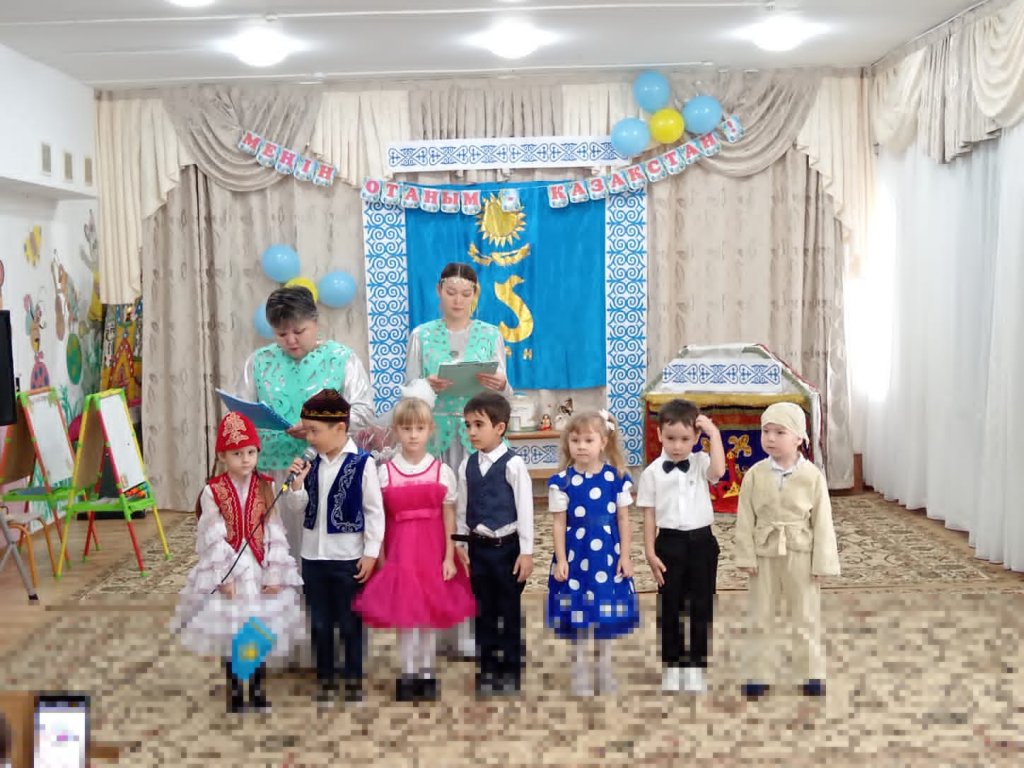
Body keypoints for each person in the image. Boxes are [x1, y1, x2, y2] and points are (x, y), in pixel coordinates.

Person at [405, 262, 512, 658]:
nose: (458, 300)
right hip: (435, 441)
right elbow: (408, 392)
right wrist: (425, 385)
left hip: (475, 442)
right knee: (438, 528)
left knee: (474, 524)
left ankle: (471, 622)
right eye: (451, 292)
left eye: (466, 293)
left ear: (475, 295)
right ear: (439, 291)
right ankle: (439, 620)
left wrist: (501, 384)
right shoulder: (422, 335)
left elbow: (504, 394)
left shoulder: (490, 334)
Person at [172, 412, 305, 714]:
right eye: (237, 454)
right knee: (231, 630)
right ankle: (235, 691)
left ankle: (256, 688)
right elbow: (212, 536)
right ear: (222, 456)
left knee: (257, 629)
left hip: (259, 568)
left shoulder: (266, 485)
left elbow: (274, 531)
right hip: (230, 569)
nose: (246, 460)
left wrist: (275, 572)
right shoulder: (213, 491)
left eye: (251, 452)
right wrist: (223, 576)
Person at [235, 285, 375, 557]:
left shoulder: (341, 358)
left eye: (299, 331)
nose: (290, 340)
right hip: (272, 469)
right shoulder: (259, 362)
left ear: (315, 322)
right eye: (281, 334)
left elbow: (364, 411)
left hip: (327, 468)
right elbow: (242, 413)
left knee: (322, 547)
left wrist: (317, 425)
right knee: (277, 546)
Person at [353, 397, 476, 701]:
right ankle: (408, 673)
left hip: (432, 551)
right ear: (396, 430)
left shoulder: (441, 471)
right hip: (401, 553)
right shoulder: (385, 473)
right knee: (406, 617)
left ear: (430, 430)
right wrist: (381, 558)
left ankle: (427, 672)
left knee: (428, 617)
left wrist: (449, 556)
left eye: (419, 428)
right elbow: (379, 518)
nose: (412, 435)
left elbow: (449, 516)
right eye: (406, 428)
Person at [282, 389, 385, 707]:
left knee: (350, 621)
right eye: (307, 431)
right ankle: (325, 677)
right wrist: (296, 485)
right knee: (320, 622)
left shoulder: (362, 463)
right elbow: (298, 508)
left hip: (347, 558)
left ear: (340, 428)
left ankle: (353, 678)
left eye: (314, 431)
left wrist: (371, 553)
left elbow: (374, 512)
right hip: (313, 557)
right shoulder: (310, 464)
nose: (309, 438)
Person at [734, 402, 840, 700]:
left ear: (798, 438)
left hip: (800, 552)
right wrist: (746, 555)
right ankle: (758, 672)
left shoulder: (812, 476)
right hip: (764, 552)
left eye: (779, 432)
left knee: (805, 613)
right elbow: (745, 517)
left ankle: (811, 671)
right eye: (765, 431)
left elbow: (822, 521)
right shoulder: (755, 474)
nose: (770, 438)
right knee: (760, 613)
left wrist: (822, 563)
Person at [546, 410, 639, 696]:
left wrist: (625, 555)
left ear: (603, 443)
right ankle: (579, 668)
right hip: (576, 556)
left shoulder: (616, 479)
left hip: (606, 557)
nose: (582, 446)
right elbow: (559, 523)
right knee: (578, 611)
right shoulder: (562, 481)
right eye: (575, 440)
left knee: (604, 611)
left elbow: (623, 519)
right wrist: (561, 559)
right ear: (567, 443)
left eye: (588, 440)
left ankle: (604, 667)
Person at [637, 399, 725, 694]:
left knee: (701, 604)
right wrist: (650, 552)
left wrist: (714, 434)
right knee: (670, 605)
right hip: (669, 544)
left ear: (696, 437)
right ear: (659, 434)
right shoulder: (651, 473)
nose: (677, 446)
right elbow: (649, 515)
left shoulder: (701, 462)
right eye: (671, 438)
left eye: (685, 439)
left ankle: (696, 665)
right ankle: (673, 664)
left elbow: (719, 471)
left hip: (702, 543)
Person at [455, 392, 534, 695]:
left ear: (499, 428)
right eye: (468, 425)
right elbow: (463, 509)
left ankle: (510, 669)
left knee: (508, 610)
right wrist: (462, 544)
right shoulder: (466, 465)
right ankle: (487, 668)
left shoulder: (514, 465)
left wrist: (526, 552)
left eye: (479, 425)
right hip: (479, 550)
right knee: (483, 611)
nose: (472, 432)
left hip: (507, 550)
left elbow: (525, 510)